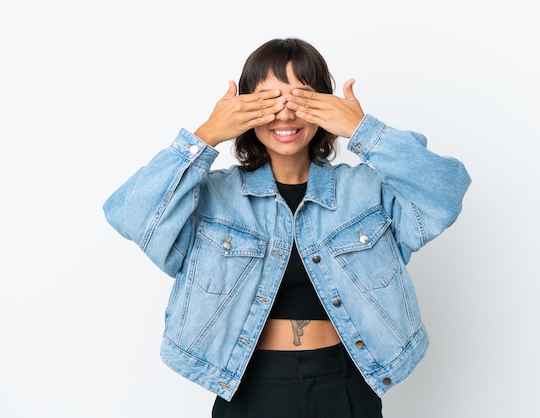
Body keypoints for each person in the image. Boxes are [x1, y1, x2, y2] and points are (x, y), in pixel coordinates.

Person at [103, 37, 471, 418]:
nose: (285, 112)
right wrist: (206, 135)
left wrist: (362, 130)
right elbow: (131, 215)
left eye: (301, 97)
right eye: (268, 99)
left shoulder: (365, 191)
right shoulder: (212, 197)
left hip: (345, 384)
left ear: (325, 108)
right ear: (243, 110)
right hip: (247, 388)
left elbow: (445, 191)